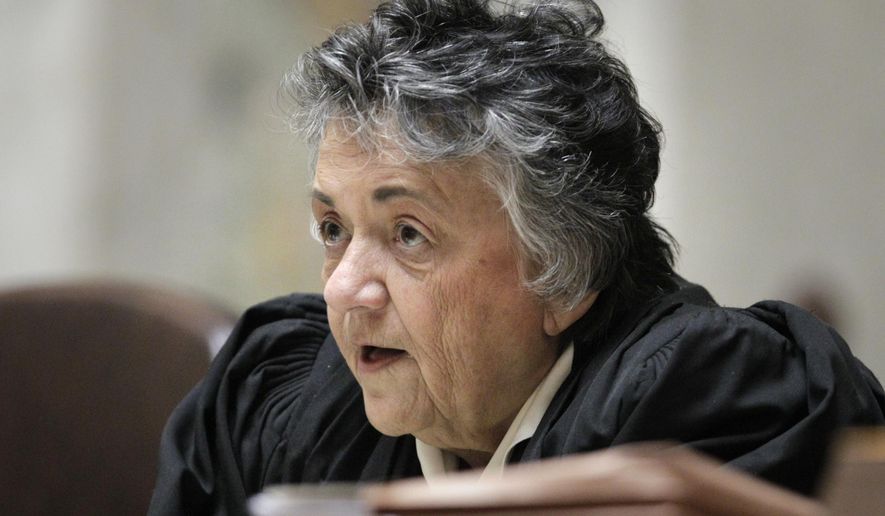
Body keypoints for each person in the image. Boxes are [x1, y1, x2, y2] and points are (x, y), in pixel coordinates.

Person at [148, 1, 885, 514]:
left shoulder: (703, 402)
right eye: (333, 228)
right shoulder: (279, 396)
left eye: (408, 234)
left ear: (562, 268)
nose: (346, 289)